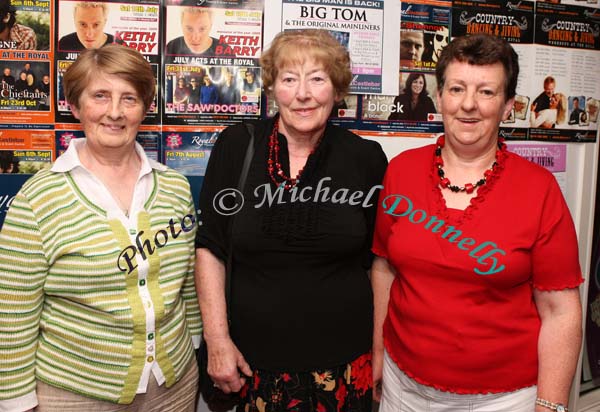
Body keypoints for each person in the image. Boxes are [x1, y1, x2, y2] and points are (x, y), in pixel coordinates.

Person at [372, 34, 582, 412]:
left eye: (486, 92)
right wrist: (377, 354)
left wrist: (551, 405)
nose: (468, 104)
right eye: (456, 88)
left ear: (507, 106)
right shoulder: (401, 172)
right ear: (440, 97)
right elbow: (384, 267)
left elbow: (561, 311)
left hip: (501, 401)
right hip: (401, 388)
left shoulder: (540, 190)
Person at [0, 44, 201, 412]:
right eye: (100, 96)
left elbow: (187, 284)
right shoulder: (38, 197)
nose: (114, 112)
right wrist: (15, 402)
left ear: (145, 108)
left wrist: (202, 348)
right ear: (75, 107)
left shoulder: (174, 187)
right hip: (75, 394)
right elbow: (12, 313)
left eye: (129, 99)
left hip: (174, 386)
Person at [195, 29, 387, 412]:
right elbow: (210, 249)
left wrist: (382, 352)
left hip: (347, 369)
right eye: (289, 79)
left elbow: (379, 263)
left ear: (336, 90)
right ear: (272, 88)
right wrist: (217, 341)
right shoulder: (237, 146)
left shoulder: (365, 159)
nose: (303, 94)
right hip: (252, 368)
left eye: (317, 79)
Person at [166, 7, 231, 56]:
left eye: (202, 29)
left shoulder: (226, 51)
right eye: (189, 29)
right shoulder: (172, 47)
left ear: (211, 26)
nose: (195, 38)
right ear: (181, 25)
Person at [58, 2, 124, 51]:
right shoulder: (64, 43)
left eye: (96, 25)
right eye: (83, 24)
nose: (89, 34)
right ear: (74, 21)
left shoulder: (119, 46)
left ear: (105, 22)